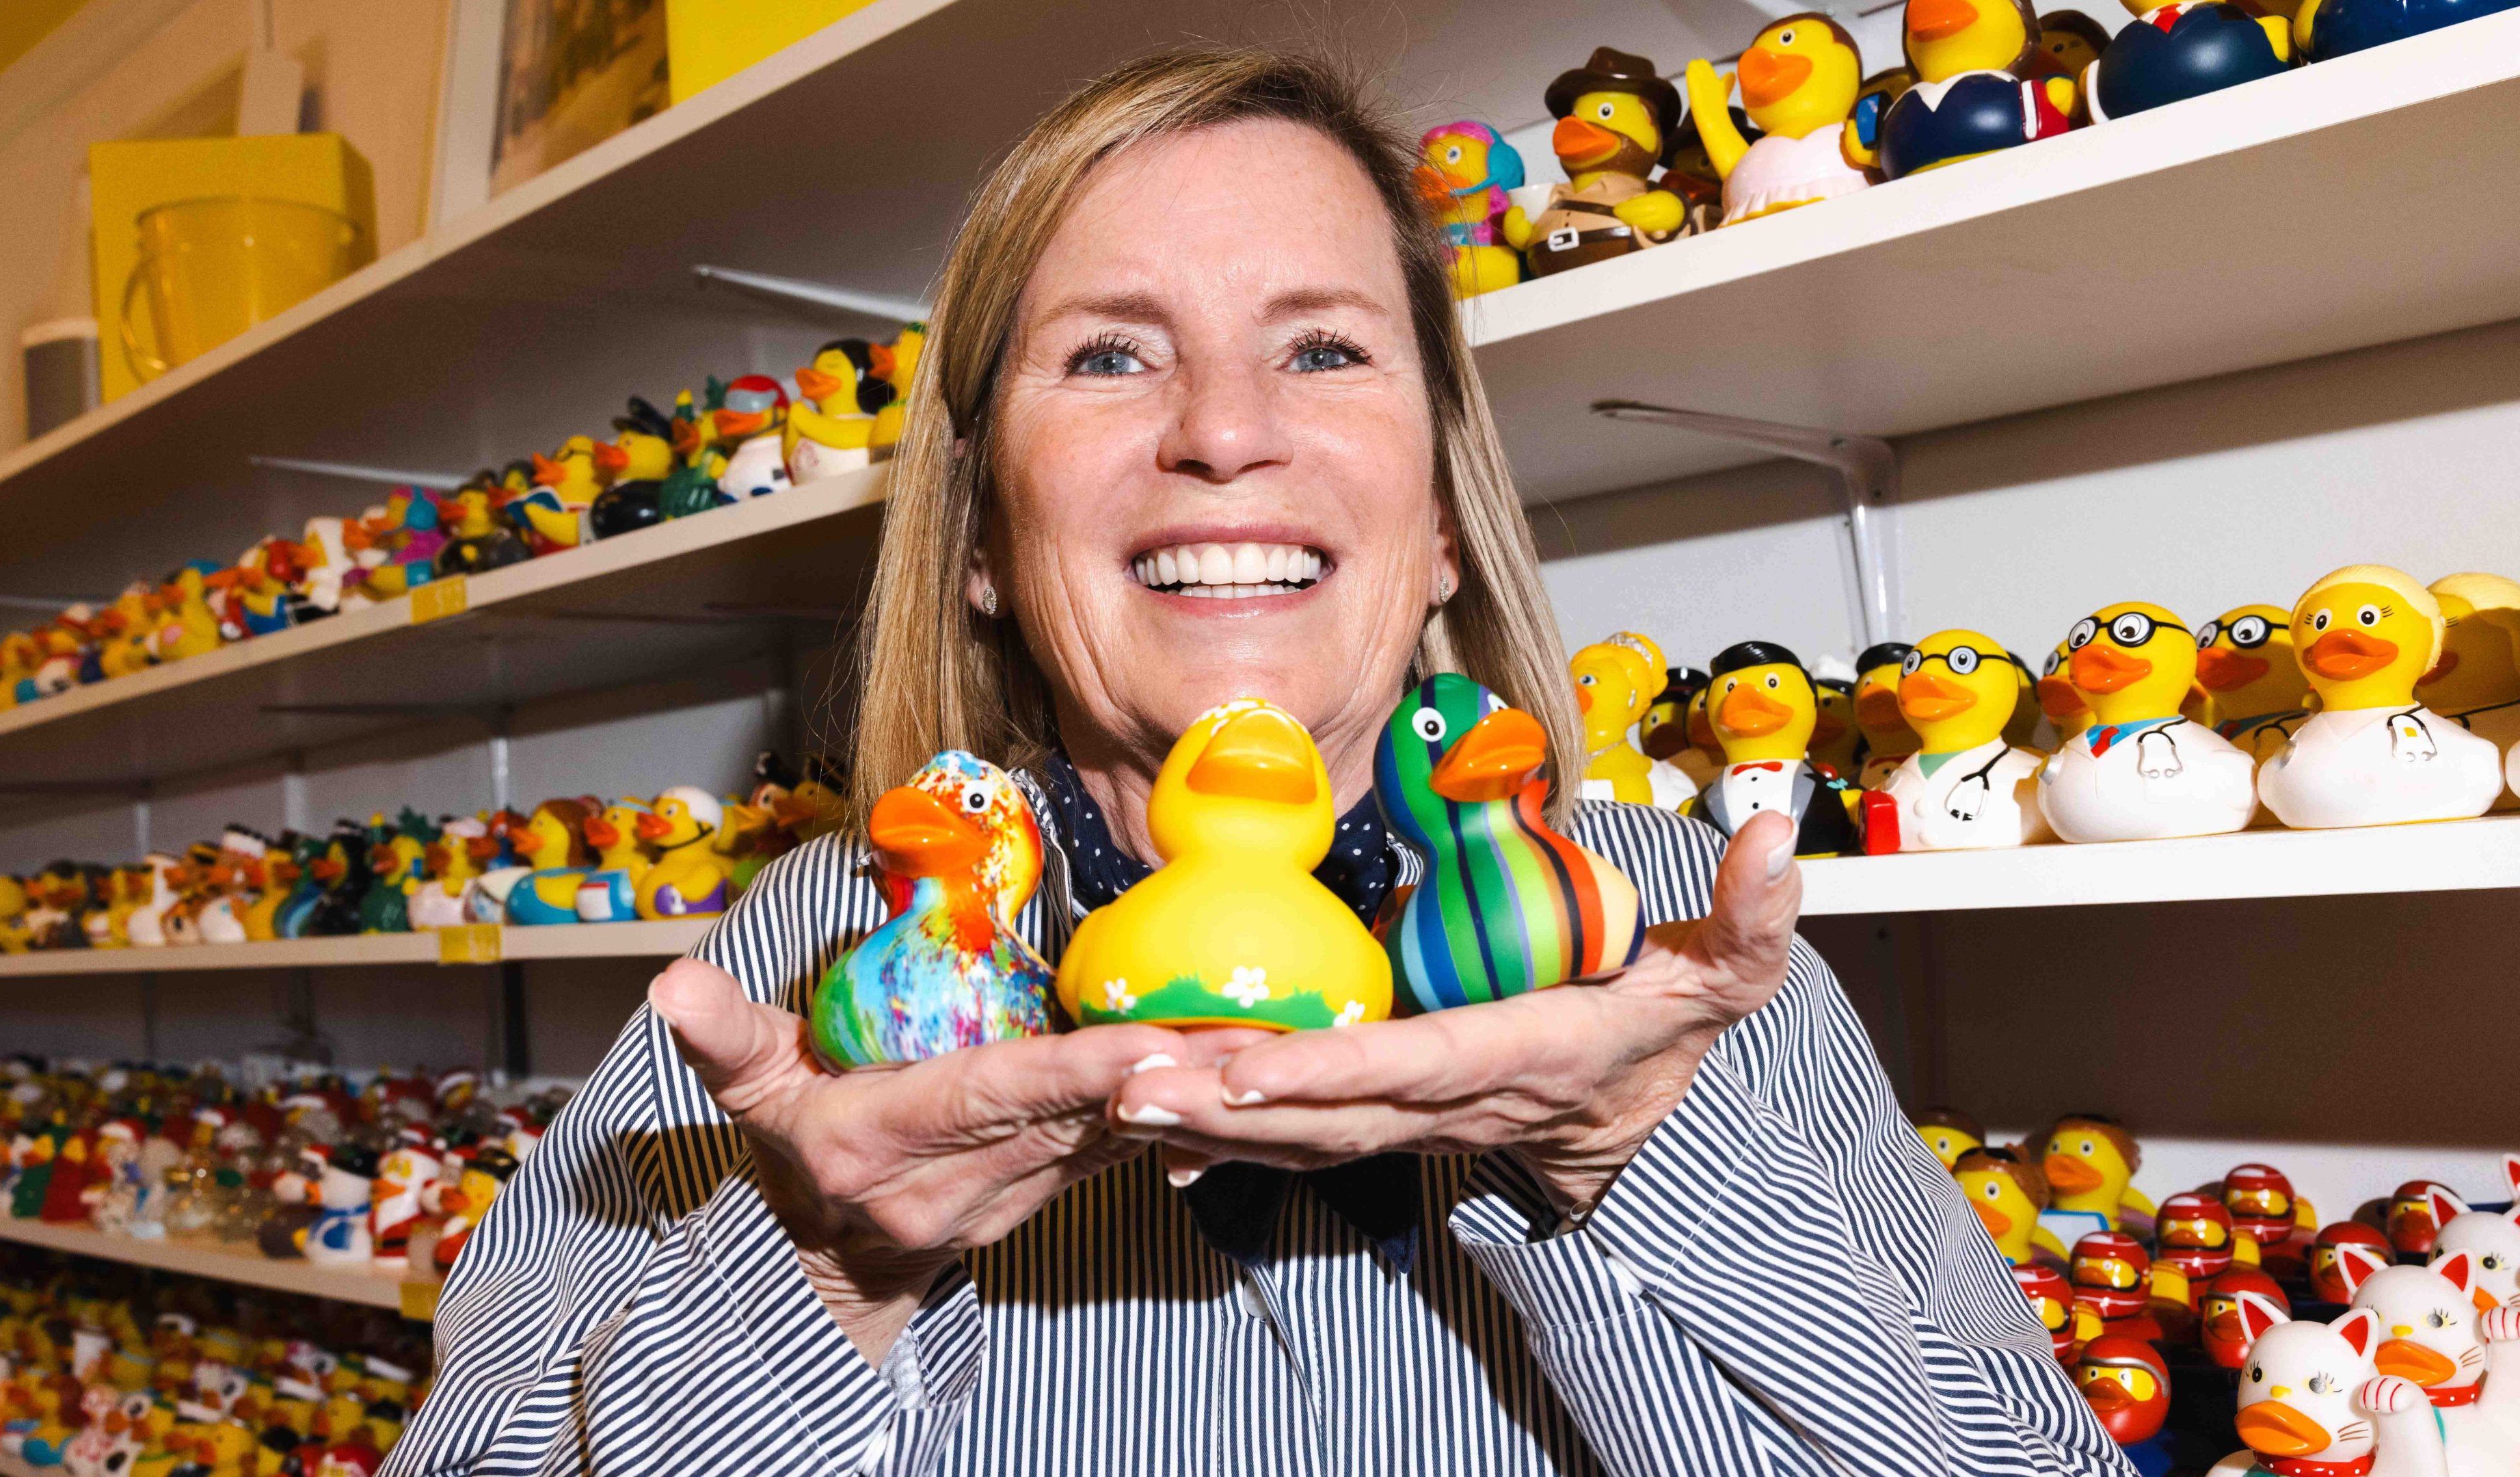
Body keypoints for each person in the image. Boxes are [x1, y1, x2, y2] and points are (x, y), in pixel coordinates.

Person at [391, 47, 2127, 1476]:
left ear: (1442, 511)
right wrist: (821, 1271)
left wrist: (1632, 1149)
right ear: (986, 530)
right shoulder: (794, 975)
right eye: (1107, 355)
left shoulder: (1677, 950)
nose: (1223, 433)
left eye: (1321, 347)